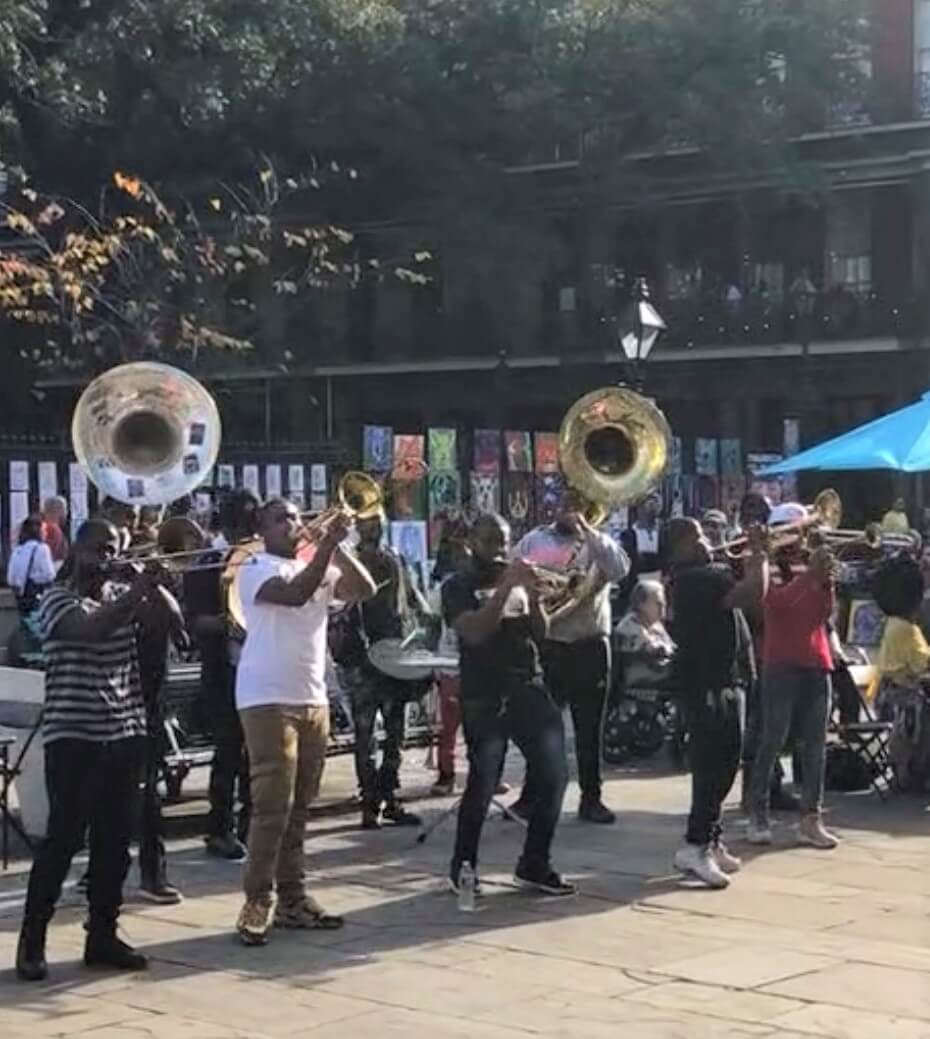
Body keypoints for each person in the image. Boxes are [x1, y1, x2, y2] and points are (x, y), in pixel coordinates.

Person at [15, 520, 163, 982]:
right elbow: (91, 631)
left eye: (114, 549)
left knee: (115, 845)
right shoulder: (57, 599)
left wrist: (152, 582)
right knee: (62, 842)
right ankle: (32, 941)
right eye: (99, 548)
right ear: (76, 551)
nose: (107, 556)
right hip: (74, 736)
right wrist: (136, 591)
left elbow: (170, 622)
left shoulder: (122, 595)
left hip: (123, 733)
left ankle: (102, 935)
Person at [233, 498, 376, 946]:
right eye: (281, 519)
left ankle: (293, 897)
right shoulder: (253, 566)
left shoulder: (318, 561)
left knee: (301, 806)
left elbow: (364, 589)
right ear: (263, 529)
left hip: (312, 694)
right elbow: (294, 597)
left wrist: (337, 544)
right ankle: (257, 900)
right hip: (266, 695)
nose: (293, 524)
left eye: (297, 517)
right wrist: (327, 547)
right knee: (272, 805)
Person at [443, 513, 574, 896]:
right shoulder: (458, 586)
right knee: (484, 783)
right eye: (490, 541)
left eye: (503, 541)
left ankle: (534, 863)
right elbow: (476, 632)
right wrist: (506, 588)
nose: (499, 549)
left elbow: (541, 632)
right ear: (472, 543)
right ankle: (463, 867)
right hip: (485, 693)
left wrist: (533, 598)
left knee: (554, 776)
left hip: (528, 687)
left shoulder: (519, 580)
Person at [514, 489, 629, 824]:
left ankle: (591, 799)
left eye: (577, 504)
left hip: (590, 644)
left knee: (590, 729)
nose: (569, 509)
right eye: (565, 503)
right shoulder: (535, 539)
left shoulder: (600, 542)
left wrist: (588, 531)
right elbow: (511, 572)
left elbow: (619, 568)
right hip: (551, 644)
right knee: (541, 727)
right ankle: (531, 796)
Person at [666, 517, 766, 889]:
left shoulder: (704, 575)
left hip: (721, 678)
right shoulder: (696, 578)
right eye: (697, 537)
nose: (707, 541)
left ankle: (711, 836)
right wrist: (759, 551)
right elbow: (754, 592)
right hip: (708, 683)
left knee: (724, 761)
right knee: (715, 765)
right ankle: (695, 845)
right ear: (679, 546)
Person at [746, 545, 840, 850]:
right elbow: (776, 604)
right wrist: (811, 577)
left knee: (816, 746)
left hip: (817, 662)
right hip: (781, 663)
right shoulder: (766, 564)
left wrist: (827, 584)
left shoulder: (810, 565)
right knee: (773, 739)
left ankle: (811, 819)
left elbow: (824, 614)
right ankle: (758, 813)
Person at [184, 489, 260, 859]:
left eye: (251, 520)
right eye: (240, 520)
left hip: (259, 669)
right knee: (230, 752)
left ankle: (252, 826)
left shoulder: (260, 559)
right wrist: (234, 624)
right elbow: (196, 622)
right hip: (225, 671)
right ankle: (220, 829)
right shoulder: (208, 561)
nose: (246, 527)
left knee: (256, 755)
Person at [345, 511, 425, 829]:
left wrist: (425, 617)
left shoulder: (395, 557)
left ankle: (389, 797)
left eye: (378, 520)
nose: (374, 526)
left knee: (396, 732)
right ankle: (368, 802)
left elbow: (411, 596)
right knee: (365, 733)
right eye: (366, 521)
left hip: (396, 653)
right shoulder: (350, 561)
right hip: (365, 659)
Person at [615, 579, 675, 690]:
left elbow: (672, 648)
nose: (663, 608)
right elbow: (651, 650)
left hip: (661, 672)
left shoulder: (656, 624)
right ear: (641, 604)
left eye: (664, 604)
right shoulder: (629, 625)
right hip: (640, 679)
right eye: (658, 603)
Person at [7, 515, 56, 612]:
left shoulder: (17, 551)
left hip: (21, 598)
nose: (45, 532)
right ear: (39, 531)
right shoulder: (42, 549)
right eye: (44, 529)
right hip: (38, 596)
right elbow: (49, 575)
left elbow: (11, 578)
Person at [41, 496, 69, 568]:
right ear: (59, 510)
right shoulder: (53, 530)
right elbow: (51, 556)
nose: (66, 512)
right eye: (65, 509)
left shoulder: (40, 527)